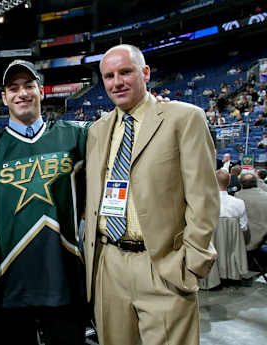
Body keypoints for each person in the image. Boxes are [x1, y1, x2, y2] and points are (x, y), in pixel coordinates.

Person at [83, 44, 219, 345]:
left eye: (125, 72)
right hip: (109, 263)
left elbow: (204, 198)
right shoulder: (97, 131)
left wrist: (190, 263)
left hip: (162, 263)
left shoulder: (184, 118)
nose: (116, 82)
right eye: (108, 76)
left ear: (145, 73)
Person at [0, 59, 88, 345]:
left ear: (41, 91)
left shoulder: (75, 136)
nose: (22, 93)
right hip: (10, 286)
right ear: (4, 97)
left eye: (29, 86)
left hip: (66, 280)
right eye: (13, 88)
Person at [235, 173, 267, 252]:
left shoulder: (238, 197)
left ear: (241, 184)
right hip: (263, 240)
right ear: (256, 183)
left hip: (244, 242)